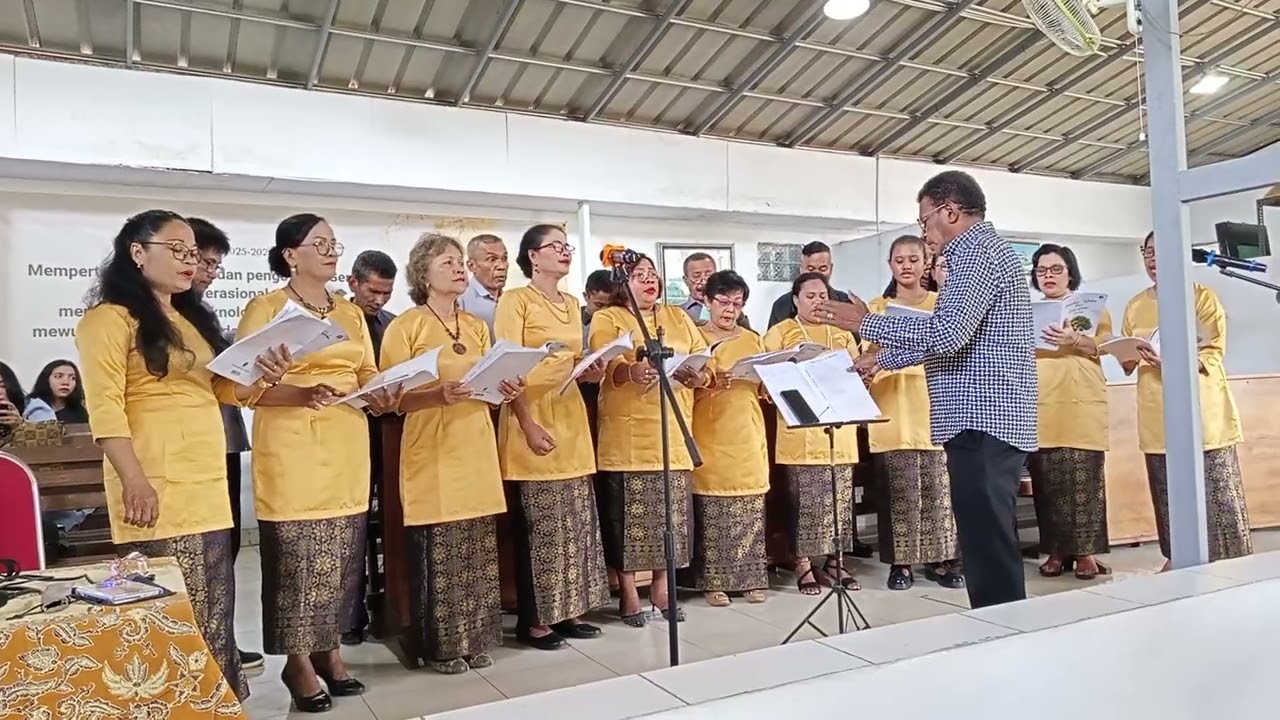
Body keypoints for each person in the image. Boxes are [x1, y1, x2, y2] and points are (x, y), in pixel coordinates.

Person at [75, 210, 290, 702]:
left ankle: (216, 704)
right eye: (177, 250)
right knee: (173, 609)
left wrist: (266, 375)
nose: (189, 262)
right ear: (137, 251)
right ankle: (180, 705)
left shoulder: (188, 320)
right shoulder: (107, 320)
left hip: (205, 483)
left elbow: (223, 390)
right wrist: (134, 480)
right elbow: (106, 412)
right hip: (155, 484)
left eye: (193, 254)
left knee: (214, 604)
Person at [823, 170, 1036, 610]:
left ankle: (1005, 633)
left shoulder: (974, 253)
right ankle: (1002, 625)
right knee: (986, 537)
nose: (924, 234)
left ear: (950, 211)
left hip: (984, 416)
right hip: (986, 417)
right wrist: (882, 358)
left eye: (924, 222)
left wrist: (864, 323)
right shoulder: (985, 251)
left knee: (988, 541)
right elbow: (955, 338)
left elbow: (948, 334)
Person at [232, 213, 400, 712]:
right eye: (319, 243)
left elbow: (367, 371)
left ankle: (329, 650)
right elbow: (241, 387)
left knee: (340, 557)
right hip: (292, 446)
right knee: (296, 559)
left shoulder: (348, 313)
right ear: (290, 254)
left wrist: (385, 391)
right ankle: (297, 661)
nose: (330, 251)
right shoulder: (265, 307)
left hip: (347, 442)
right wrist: (299, 389)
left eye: (334, 243)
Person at [381, 233, 523, 673]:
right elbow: (389, 399)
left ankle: (476, 637)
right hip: (432, 446)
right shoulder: (407, 326)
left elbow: (487, 386)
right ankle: (442, 644)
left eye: (462, 262)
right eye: (449, 263)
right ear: (423, 274)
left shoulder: (478, 326)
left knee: (477, 545)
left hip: (475, 443)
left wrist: (505, 387)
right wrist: (437, 396)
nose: (461, 268)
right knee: (440, 546)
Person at [496, 224, 609, 649]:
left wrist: (590, 368)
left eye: (567, 247)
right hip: (533, 414)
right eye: (554, 247)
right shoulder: (516, 300)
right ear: (532, 256)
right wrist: (526, 422)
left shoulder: (572, 301)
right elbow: (508, 365)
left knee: (575, 523)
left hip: (569, 414)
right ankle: (535, 619)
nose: (563, 253)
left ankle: (569, 610)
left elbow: (569, 359)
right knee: (542, 526)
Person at [589, 253, 709, 626]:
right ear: (623, 283)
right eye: (639, 275)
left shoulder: (677, 317)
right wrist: (630, 370)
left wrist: (697, 376)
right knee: (628, 520)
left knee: (669, 520)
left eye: (653, 274)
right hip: (629, 439)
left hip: (672, 431)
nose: (648, 280)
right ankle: (628, 594)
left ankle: (662, 588)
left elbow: (705, 358)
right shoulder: (607, 317)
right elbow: (605, 363)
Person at [1121, 231, 1251, 571]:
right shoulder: (1135, 304)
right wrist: (1126, 355)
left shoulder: (1201, 298)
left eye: (1159, 251)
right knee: (1167, 490)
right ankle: (1177, 557)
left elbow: (1213, 351)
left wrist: (1172, 360)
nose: (1152, 259)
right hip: (1156, 408)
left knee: (1217, 490)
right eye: (1147, 252)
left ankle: (1231, 560)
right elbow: (1128, 358)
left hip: (1202, 408)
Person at [186, 217, 266, 672]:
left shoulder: (204, 313)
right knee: (200, 551)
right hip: (188, 445)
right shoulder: (154, 313)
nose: (210, 272)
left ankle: (222, 641)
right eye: (204, 262)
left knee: (227, 544)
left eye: (216, 265)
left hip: (225, 438)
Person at [863, 236, 962, 591]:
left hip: (935, 406)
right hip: (892, 408)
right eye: (899, 260)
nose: (906, 266)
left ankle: (942, 560)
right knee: (898, 493)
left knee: (939, 492)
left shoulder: (944, 304)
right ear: (890, 265)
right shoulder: (875, 308)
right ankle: (900, 564)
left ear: (926, 263)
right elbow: (867, 355)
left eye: (913, 259)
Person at [763, 273, 861, 594]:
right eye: (810, 296)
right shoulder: (781, 332)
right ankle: (803, 563)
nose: (817, 301)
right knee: (803, 501)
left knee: (840, 500)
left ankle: (837, 559)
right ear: (795, 300)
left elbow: (858, 370)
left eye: (822, 295)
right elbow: (767, 379)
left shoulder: (842, 333)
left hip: (839, 428)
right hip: (801, 430)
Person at [683, 269, 770, 606]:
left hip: (747, 427)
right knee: (714, 506)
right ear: (706, 300)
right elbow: (689, 380)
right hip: (710, 428)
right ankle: (714, 581)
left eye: (737, 302)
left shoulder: (752, 339)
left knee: (749, 503)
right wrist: (708, 379)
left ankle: (750, 579)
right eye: (723, 301)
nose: (730, 309)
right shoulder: (695, 337)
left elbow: (764, 388)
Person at [1027, 243, 1112, 580]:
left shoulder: (1092, 308)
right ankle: (1056, 551)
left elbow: (1102, 347)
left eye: (1056, 269)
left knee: (1084, 480)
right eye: (1041, 270)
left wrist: (1073, 340)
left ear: (1070, 272)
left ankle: (1086, 553)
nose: (1048, 276)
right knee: (1047, 481)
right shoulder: (1026, 311)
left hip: (1081, 402)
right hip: (1041, 402)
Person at [342, 249, 398, 646]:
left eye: (386, 293)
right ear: (353, 283)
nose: (378, 300)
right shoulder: (337, 324)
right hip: (348, 433)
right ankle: (350, 616)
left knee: (392, 520)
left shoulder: (394, 325)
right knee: (354, 527)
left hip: (390, 434)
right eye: (373, 291)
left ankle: (393, 603)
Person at [766, 241, 849, 329]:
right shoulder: (782, 305)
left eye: (822, 269)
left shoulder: (845, 302)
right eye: (810, 269)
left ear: (831, 269)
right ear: (801, 269)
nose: (817, 275)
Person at [458, 233, 509, 333]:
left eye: (504, 259)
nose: (501, 266)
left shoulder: (511, 300)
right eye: (492, 259)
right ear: (471, 266)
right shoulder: (460, 300)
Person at [22, 360, 88, 424]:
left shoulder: (81, 411)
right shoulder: (32, 406)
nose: (66, 382)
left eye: (72, 378)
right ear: (46, 379)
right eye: (58, 376)